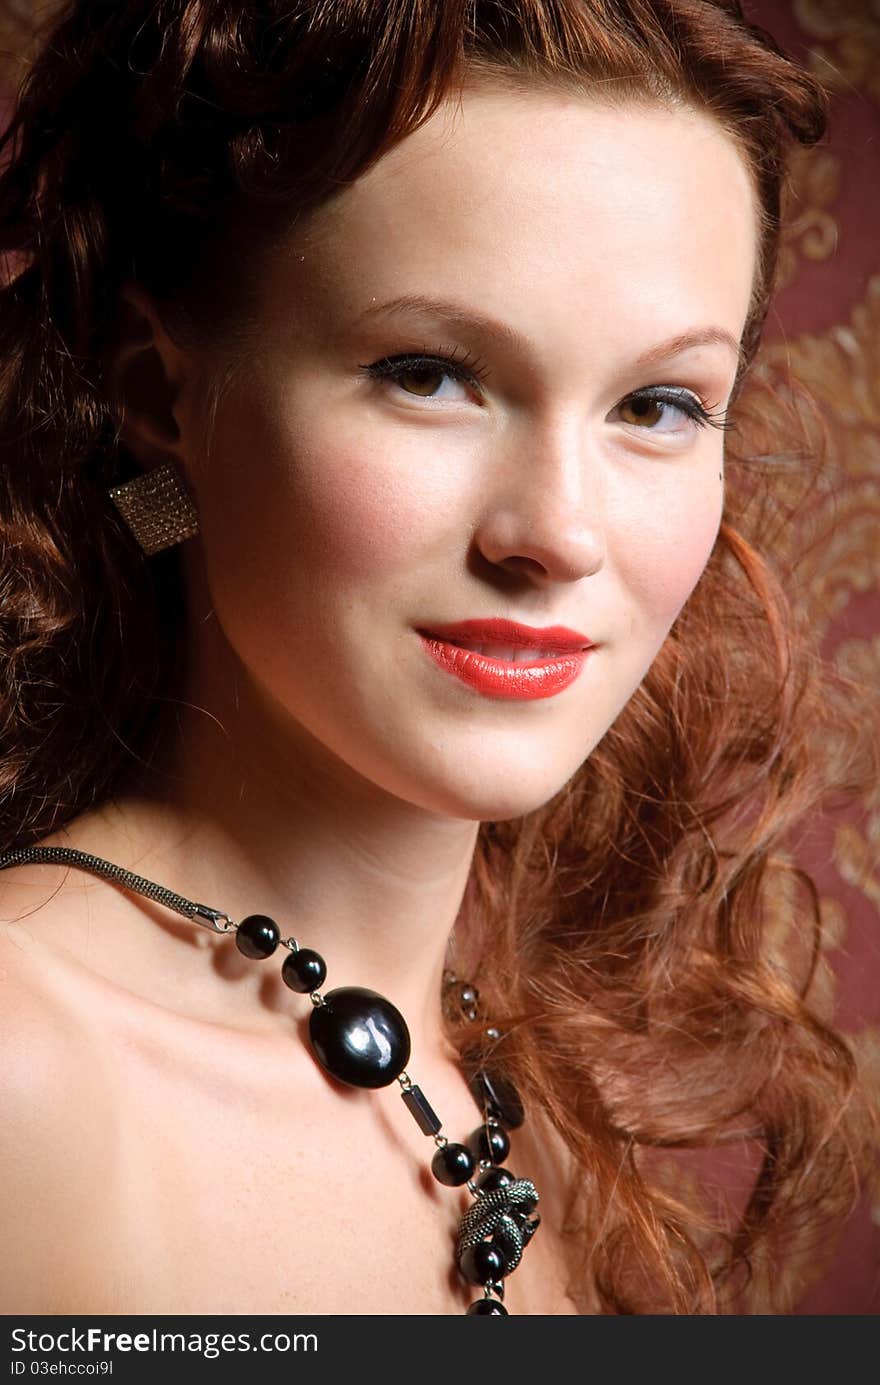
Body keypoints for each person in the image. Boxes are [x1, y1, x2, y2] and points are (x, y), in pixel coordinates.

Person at [0, 0, 874, 1317]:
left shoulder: (537, 1104)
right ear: (157, 390)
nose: (560, 534)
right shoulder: (24, 1079)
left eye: (657, 404)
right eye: (429, 372)